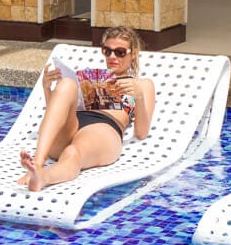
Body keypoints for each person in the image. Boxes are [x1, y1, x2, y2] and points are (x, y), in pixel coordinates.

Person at [18, 25, 156, 192]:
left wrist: (138, 97)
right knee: (67, 84)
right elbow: (54, 113)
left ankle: (43, 176)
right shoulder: (89, 76)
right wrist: (47, 88)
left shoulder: (142, 85)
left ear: (132, 54)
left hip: (103, 128)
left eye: (119, 52)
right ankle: (37, 163)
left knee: (73, 152)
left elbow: (141, 133)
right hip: (74, 123)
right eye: (107, 51)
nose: (112, 57)